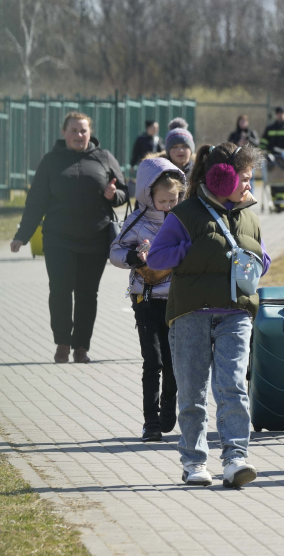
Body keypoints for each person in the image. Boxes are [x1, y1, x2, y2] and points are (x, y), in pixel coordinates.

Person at [146, 142, 269, 488]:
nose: (249, 185)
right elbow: (156, 259)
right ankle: (194, 462)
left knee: (233, 386)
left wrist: (257, 260)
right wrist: (194, 250)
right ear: (221, 178)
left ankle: (235, 459)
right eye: (244, 178)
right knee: (193, 392)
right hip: (191, 313)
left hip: (236, 314)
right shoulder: (184, 215)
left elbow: (264, 258)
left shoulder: (250, 216)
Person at [10, 112, 128, 364]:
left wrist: (112, 195)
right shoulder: (51, 161)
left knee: (87, 294)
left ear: (90, 133)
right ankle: (62, 344)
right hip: (58, 239)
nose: (79, 135)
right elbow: (36, 202)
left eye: (83, 130)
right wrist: (22, 236)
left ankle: (81, 348)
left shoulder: (104, 157)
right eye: (73, 130)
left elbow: (124, 193)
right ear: (64, 133)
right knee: (60, 291)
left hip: (95, 239)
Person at [110, 158, 186, 442]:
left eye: (173, 199)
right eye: (162, 200)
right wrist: (130, 258)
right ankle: (151, 422)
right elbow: (115, 251)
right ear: (148, 195)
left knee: (173, 361)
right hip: (145, 299)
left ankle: (169, 406)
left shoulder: (184, 219)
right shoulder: (136, 221)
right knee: (152, 360)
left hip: (178, 302)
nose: (168, 205)